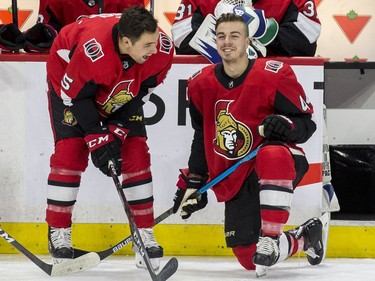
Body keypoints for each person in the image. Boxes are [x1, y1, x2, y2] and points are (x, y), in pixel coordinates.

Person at [172, 13, 323, 277]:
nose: (227, 42)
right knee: (249, 257)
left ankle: (270, 237)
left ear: (247, 41)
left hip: (278, 163)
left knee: (272, 153)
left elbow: (306, 125)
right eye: (221, 36)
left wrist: (285, 125)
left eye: (234, 36)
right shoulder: (200, 84)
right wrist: (195, 180)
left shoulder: (273, 74)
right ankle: (306, 237)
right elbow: (202, 133)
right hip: (235, 176)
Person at [45, 6, 174, 271]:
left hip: (123, 85)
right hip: (73, 83)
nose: (155, 48)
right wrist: (96, 137)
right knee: (70, 152)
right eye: (147, 44)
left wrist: (117, 129)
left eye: (154, 40)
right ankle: (58, 232)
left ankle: (143, 232)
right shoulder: (92, 51)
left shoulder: (161, 48)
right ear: (126, 41)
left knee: (135, 151)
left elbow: (141, 93)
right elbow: (76, 97)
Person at [171, 0, 320, 57]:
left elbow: (306, 42)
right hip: (215, 83)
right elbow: (182, 39)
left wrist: (259, 31)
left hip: (274, 81)